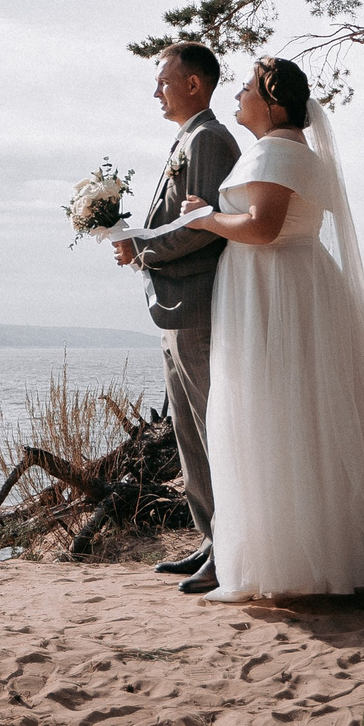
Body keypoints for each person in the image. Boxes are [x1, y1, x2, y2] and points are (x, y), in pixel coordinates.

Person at [174, 56, 364, 599]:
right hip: (286, 288)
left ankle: (293, 560)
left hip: (275, 292)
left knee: (277, 415)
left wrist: (205, 217)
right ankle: (294, 547)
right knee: (299, 416)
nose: (237, 95)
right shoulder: (286, 151)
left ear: (274, 102)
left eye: (246, 88)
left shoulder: (276, 152)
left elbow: (263, 228)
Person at [113, 42, 238, 592]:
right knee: (187, 431)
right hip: (174, 305)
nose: (155, 92)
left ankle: (231, 547)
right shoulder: (187, 138)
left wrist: (141, 249)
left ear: (194, 84)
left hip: (197, 303)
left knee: (213, 429)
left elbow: (201, 227)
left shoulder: (209, 139)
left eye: (164, 81)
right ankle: (210, 538)